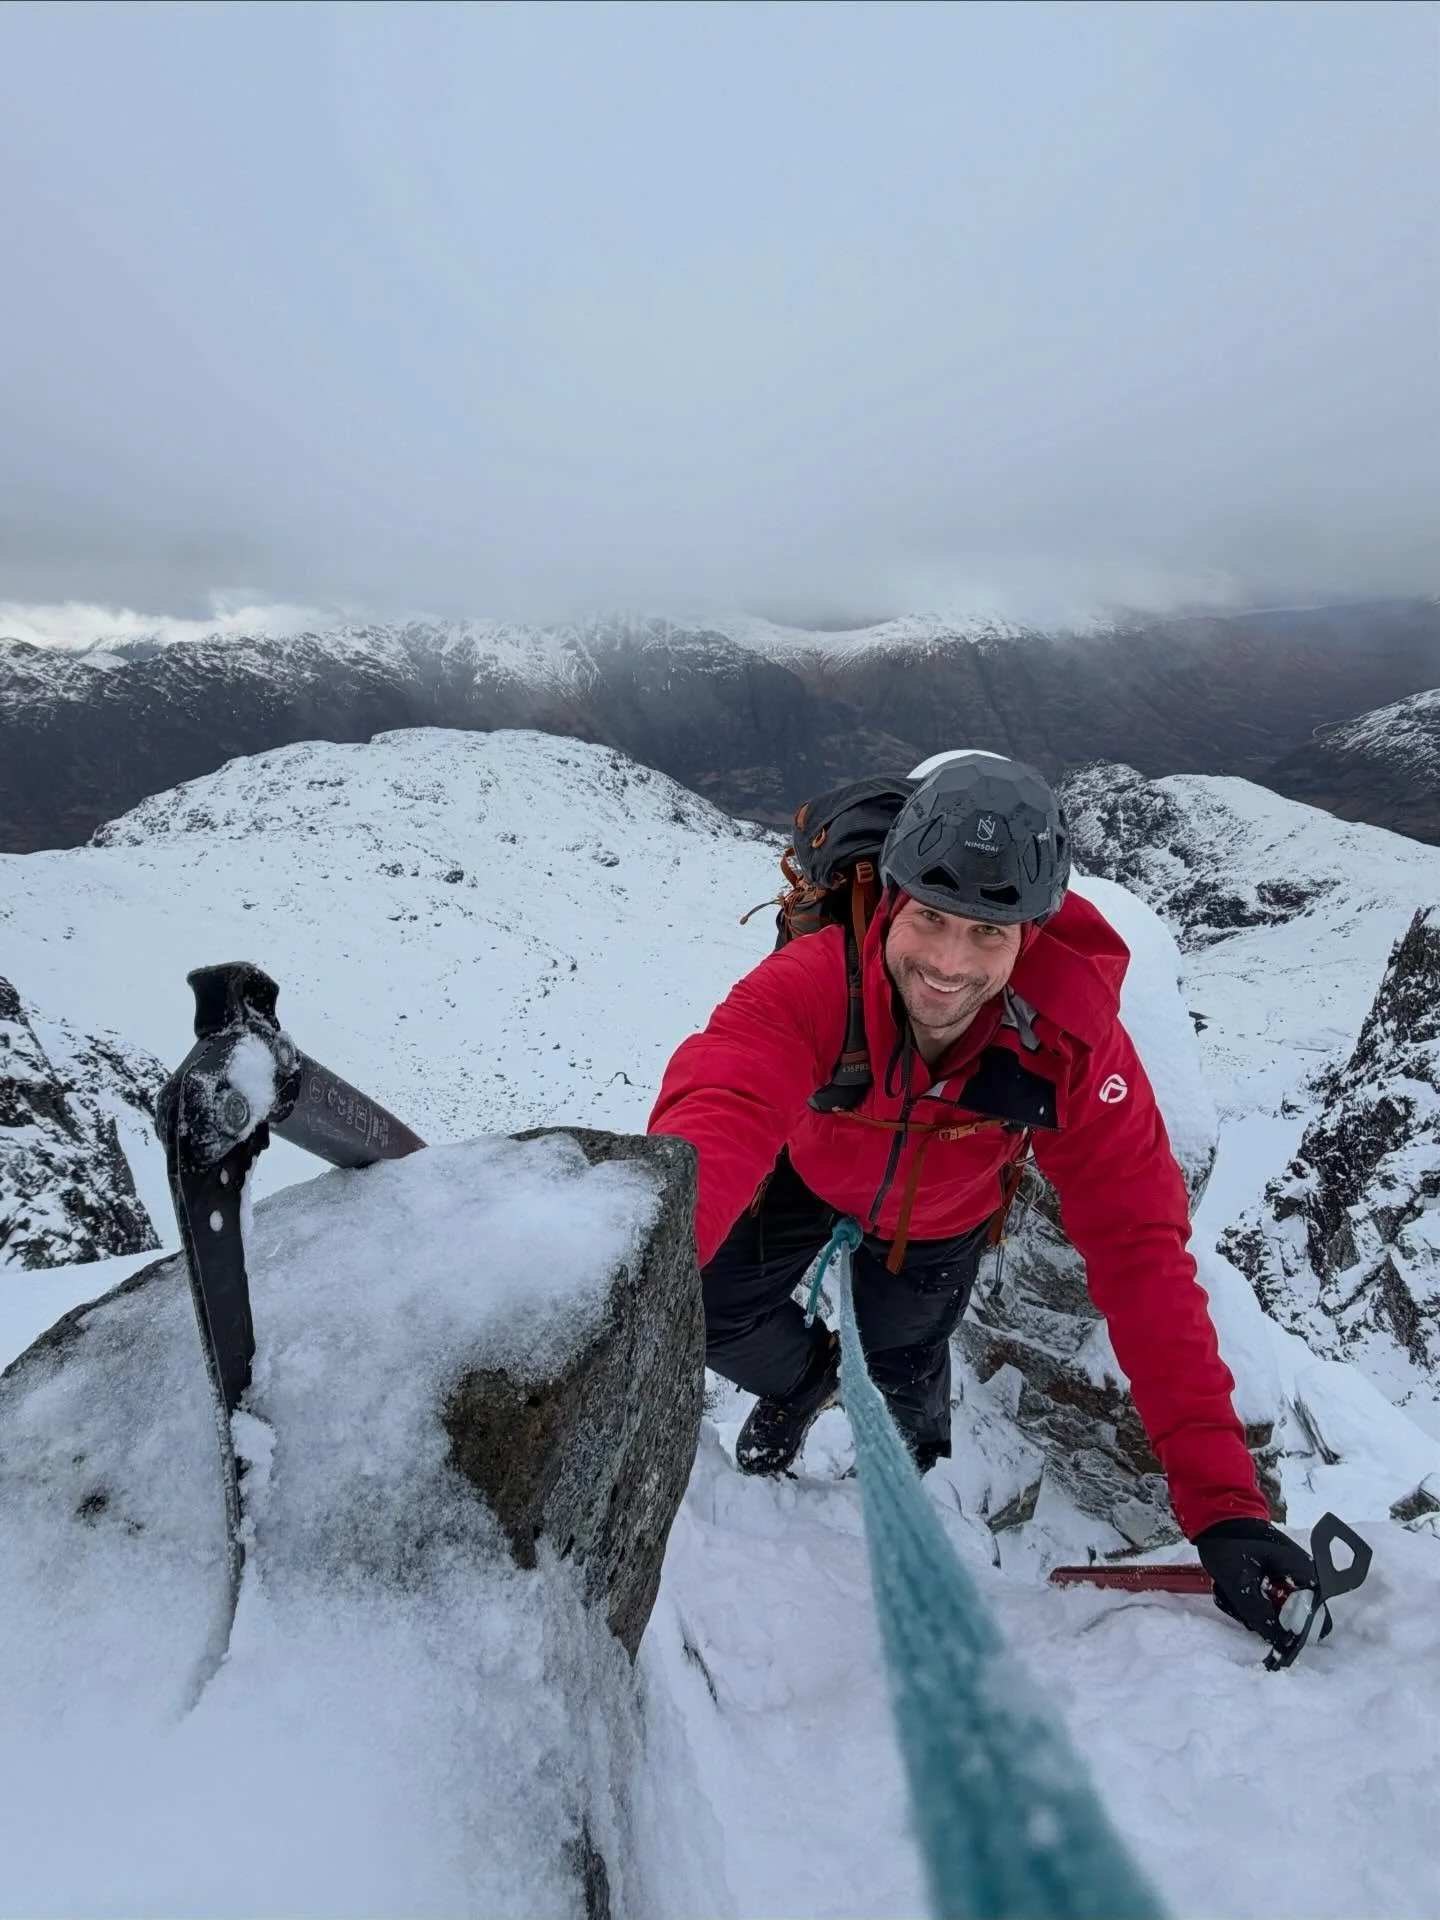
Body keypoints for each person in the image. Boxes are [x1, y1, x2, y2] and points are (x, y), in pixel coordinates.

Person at [648, 751, 1319, 1654]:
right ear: (890, 896)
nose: (949, 966)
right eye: (929, 917)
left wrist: (1226, 1509)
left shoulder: (1070, 1045)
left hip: (940, 1219)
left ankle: (906, 1454)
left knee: (905, 1368)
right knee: (709, 1310)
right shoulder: (815, 982)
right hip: (809, 1172)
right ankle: (806, 1384)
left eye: (989, 934)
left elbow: (1145, 1262)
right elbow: (718, 1106)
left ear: (1031, 933)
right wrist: (633, 1268)